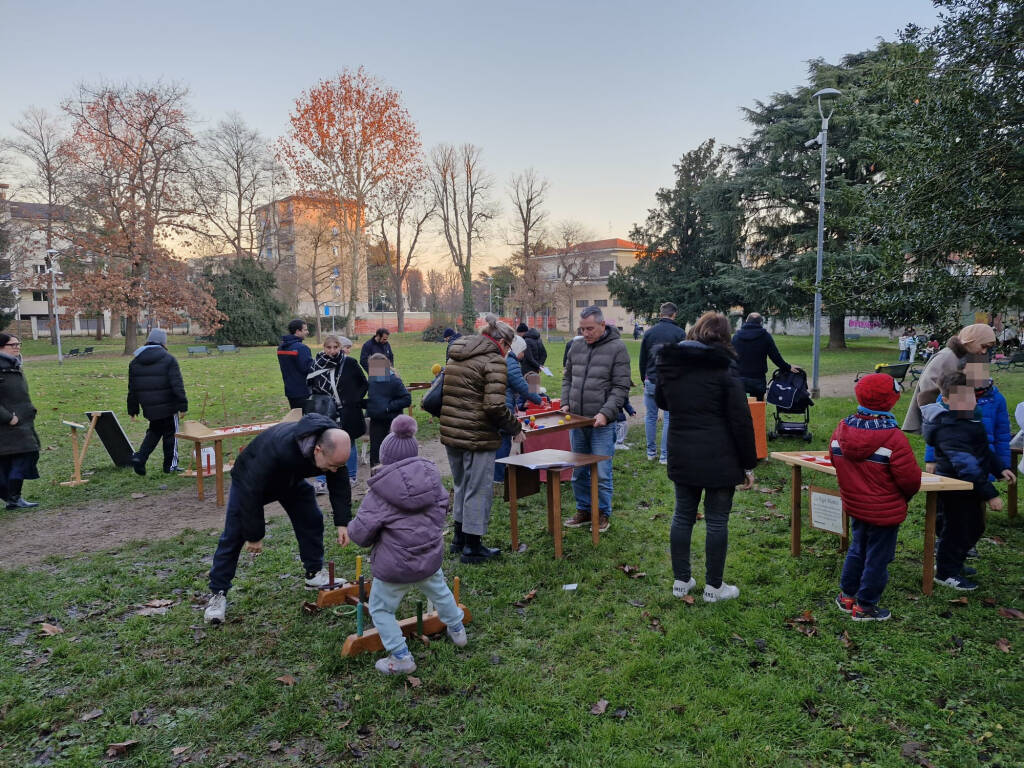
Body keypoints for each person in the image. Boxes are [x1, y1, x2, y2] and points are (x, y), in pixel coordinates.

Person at [203, 414, 353, 623]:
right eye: (331, 465)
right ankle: (218, 594)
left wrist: (342, 522)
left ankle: (313, 574)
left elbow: (339, 481)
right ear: (317, 450)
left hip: (289, 480)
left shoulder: (331, 446)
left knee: (311, 517)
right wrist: (254, 534)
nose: (334, 470)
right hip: (249, 480)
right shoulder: (277, 449)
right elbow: (251, 490)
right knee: (233, 535)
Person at [348, 415, 467, 675]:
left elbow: (360, 534)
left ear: (386, 459)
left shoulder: (378, 493)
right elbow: (441, 510)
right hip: (428, 556)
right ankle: (458, 630)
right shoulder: (433, 479)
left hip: (395, 565)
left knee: (380, 607)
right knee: (440, 591)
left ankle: (401, 657)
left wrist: (355, 530)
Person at [655, 312, 757, 603]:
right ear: (725, 337)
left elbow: (662, 400)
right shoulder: (725, 370)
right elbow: (741, 420)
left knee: (682, 515)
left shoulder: (672, 365)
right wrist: (749, 463)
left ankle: (681, 579)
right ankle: (714, 587)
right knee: (716, 521)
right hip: (719, 455)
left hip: (683, 450)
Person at [829, 374, 922, 621]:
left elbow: (834, 461)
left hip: (855, 505)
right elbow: (910, 480)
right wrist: (901, 497)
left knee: (857, 548)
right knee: (878, 557)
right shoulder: (894, 438)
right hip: (885, 511)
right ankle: (865, 605)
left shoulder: (841, 428)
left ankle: (847, 595)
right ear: (891, 401)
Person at [922, 371, 1016, 591]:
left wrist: (1000, 468)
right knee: (957, 530)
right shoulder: (950, 428)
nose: (968, 401)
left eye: (970, 396)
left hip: (971, 486)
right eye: (960, 398)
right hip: (956, 486)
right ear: (946, 400)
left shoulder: (971, 420)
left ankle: (955, 562)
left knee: (974, 527)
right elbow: (967, 465)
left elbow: (983, 451)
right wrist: (990, 493)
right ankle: (945, 572)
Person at [440, 314, 522, 563]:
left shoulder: (458, 352)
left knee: (462, 485)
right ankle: (473, 547)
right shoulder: (494, 361)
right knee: (478, 489)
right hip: (478, 435)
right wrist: (515, 427)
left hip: (452, 430)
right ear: (504, 343)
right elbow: (495, 406)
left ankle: (459, 539)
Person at [561, 306, 631, 533]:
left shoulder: (617, 348)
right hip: (577, 422)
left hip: (602, 423)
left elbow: (620, 387)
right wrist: (565, 402)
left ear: (603, 325)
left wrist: (605, 413)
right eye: (582, 329)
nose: (586, 333)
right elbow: (568, 378)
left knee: (601, 471)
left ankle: (602, 513)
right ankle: (584, 510)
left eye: (590, 328)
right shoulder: (576, 346)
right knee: (579, 471)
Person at [903, 323, 997, 439]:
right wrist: (942, 408)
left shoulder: (976, 357)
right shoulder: (946, 356)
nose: (984, 351)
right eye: (983, 346)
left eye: (987, 348)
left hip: (969, 415)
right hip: (946, 415)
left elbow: (981, 389)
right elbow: (927, 383)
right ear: (970, 341)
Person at [307, 335, 367, 486]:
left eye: (335, 347)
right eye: (329, 347)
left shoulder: (349, 363)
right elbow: (310, 386)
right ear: (324, 347)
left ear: (340, 347)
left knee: (349, 442)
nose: (332, 351)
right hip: (325, 411)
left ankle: (351, 476)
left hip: (347, 410)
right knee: (323, 443)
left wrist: (355, 399)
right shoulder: (316, 364)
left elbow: (363, 383)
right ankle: (321, 480)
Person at [126, 328, 188, 476]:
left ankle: (140, 458)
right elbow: (177, 384)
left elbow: (132, 389)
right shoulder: (169, 359)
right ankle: (170, 466)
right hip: (168, 406)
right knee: (171, 435)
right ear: (163, 343)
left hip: (149, 408)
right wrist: (182, 405)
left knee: (154, 431)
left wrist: (133, 410)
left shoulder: (135, 362)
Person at [639, 302, 686, 463]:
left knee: (650, 417)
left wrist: (643, 378)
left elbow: (642, 359)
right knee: (668, 418)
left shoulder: (649, 332)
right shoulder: (680, 333)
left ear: (660, 314)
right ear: (674, 314)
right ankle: (665, 455)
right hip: (671, 381)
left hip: (651, 379)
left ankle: (651, 452)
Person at [494, 335, 543, 482]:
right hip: (504, 405)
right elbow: (522, 386)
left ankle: (496, 474)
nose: (523, 355)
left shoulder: (501, 358)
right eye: (523, 351)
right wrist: (538, 399)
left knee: (497, 440)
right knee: (504, 441)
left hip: (499, 403)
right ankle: (499, 477)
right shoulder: (511, 362)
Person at [0, 334, 40, 509]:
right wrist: (9, 418)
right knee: (23, 456)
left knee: (25, 455)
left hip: (22, 421)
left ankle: (13, 497)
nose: (17, 347)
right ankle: (12, 497)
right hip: (8, 424)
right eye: (12, 344)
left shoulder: (14, 365)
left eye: (18, 344)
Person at [731, 312, 799, 401]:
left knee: (740, 408)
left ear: (746, 321)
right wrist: (788, 367)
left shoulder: (736, 337)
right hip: (758, 379)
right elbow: (775, 356)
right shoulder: (765, 336)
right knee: (758, 408)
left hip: (740, 379)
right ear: (760, 323)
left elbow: (730, 357)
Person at [365, 353, 411, 469]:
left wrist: (388, 407)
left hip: (392, 421)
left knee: (393, 450)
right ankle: (375, 478)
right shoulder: (371, 381)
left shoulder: (394, 380)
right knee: (376, 451)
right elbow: (373, 398)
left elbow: (406, 399)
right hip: (376, 421)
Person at [277, 319, 313, 410]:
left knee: (295, 416)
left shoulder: (281, 348)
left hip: (290, 390)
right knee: (307, 419)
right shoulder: (302, 348)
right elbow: (308, 369)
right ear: (297, 331)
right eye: (305, 330)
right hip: (303, 391)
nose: (307, 332)